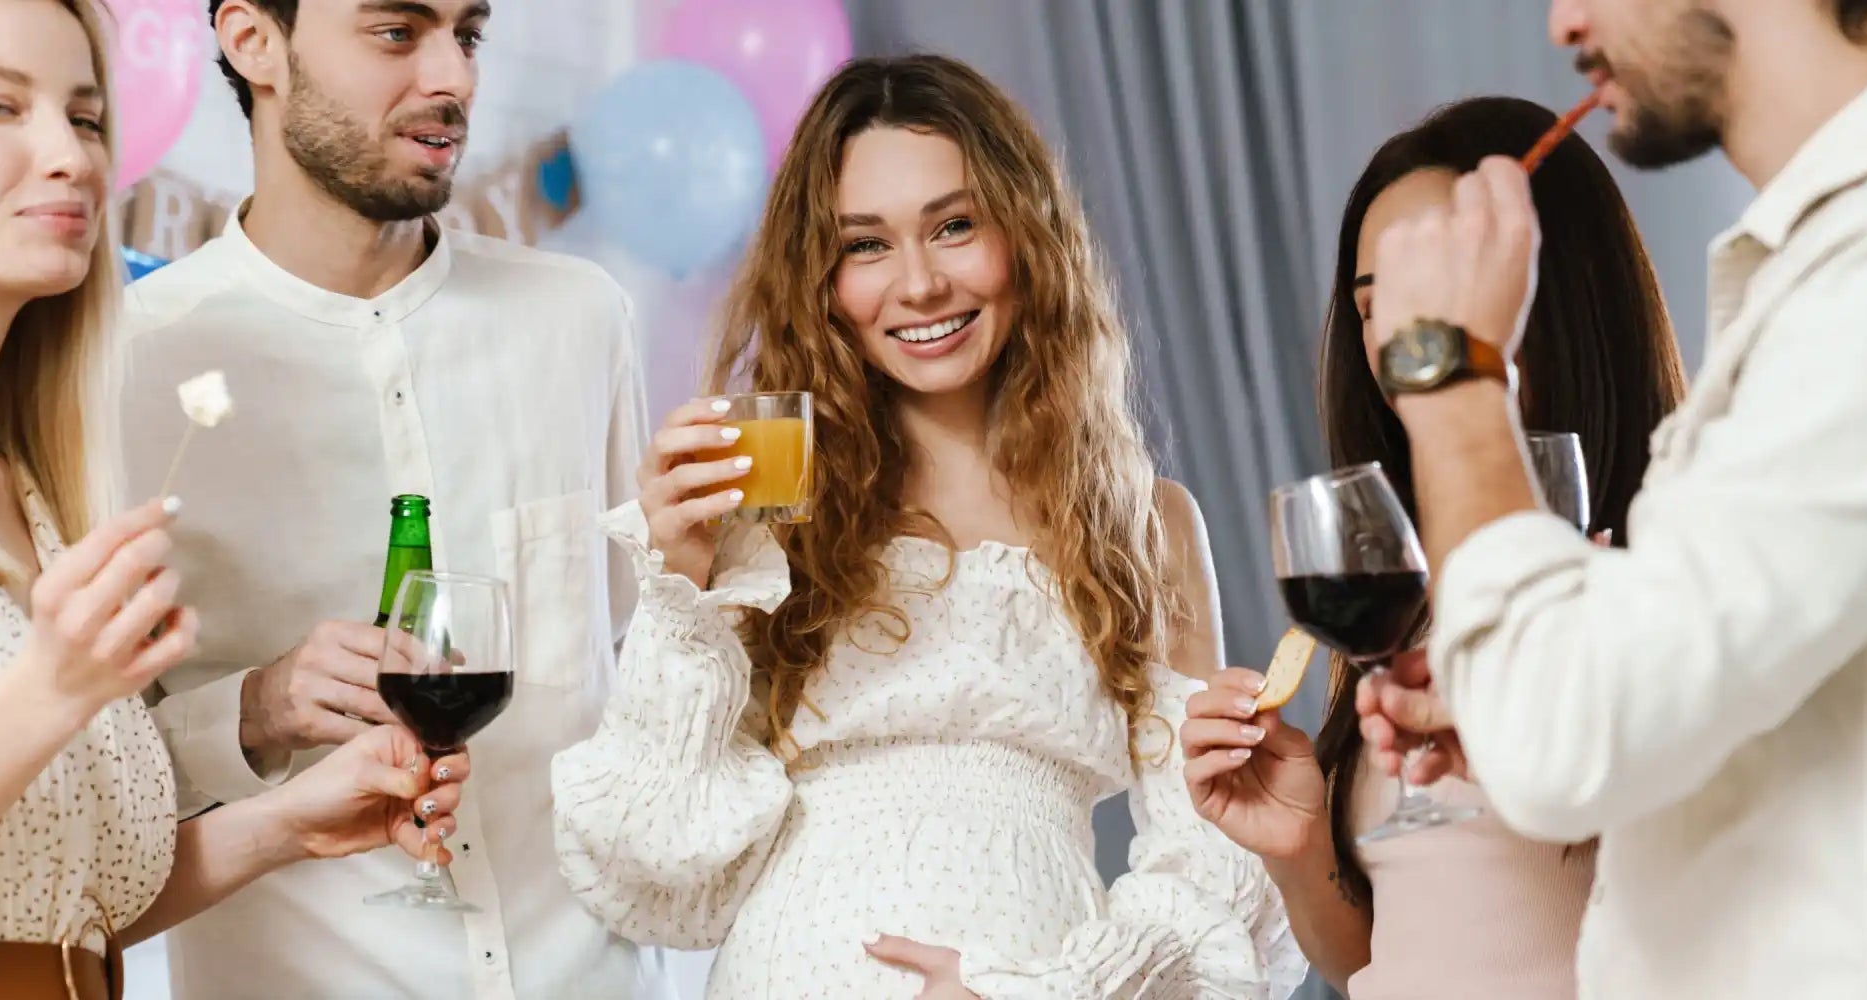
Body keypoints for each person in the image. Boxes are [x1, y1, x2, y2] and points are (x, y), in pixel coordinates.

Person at [552, 54, 1305, 998]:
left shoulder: (1143, 521)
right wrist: (683, 590)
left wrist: (1042, 991)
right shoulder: (767, 505)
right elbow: (653, 869)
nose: (918, 284)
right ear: (821, 280)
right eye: (865, 245)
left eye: (953, 227)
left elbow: (1219, 864)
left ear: (1026, 238)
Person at [1355, 1, 1867, 996]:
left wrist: (1446, 372)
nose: (1563, 24)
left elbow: (1564, 737)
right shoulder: (1863, 247)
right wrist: (1533, 690)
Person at [118, 1, 656, 997]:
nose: (452, 77)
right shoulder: (125, 369)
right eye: (397, 32)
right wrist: (255, 709)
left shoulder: (580, 321)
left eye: (469, 34)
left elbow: (625, 663)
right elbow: (80, 801)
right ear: (253, 41)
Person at [0, 1, 464, 996]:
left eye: (83, 116)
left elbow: (69, 906)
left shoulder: (31, 485)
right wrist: (48, 692)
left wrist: (285, 823)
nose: (68, 156)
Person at [1179, 96, 1684, 998]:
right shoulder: (1401, 601)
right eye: (1373, 306)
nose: (1393, 337)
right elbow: (1376, 962)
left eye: (1426, 289)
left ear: (1547, 283)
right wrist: (1300, 848)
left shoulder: (1676, 566)